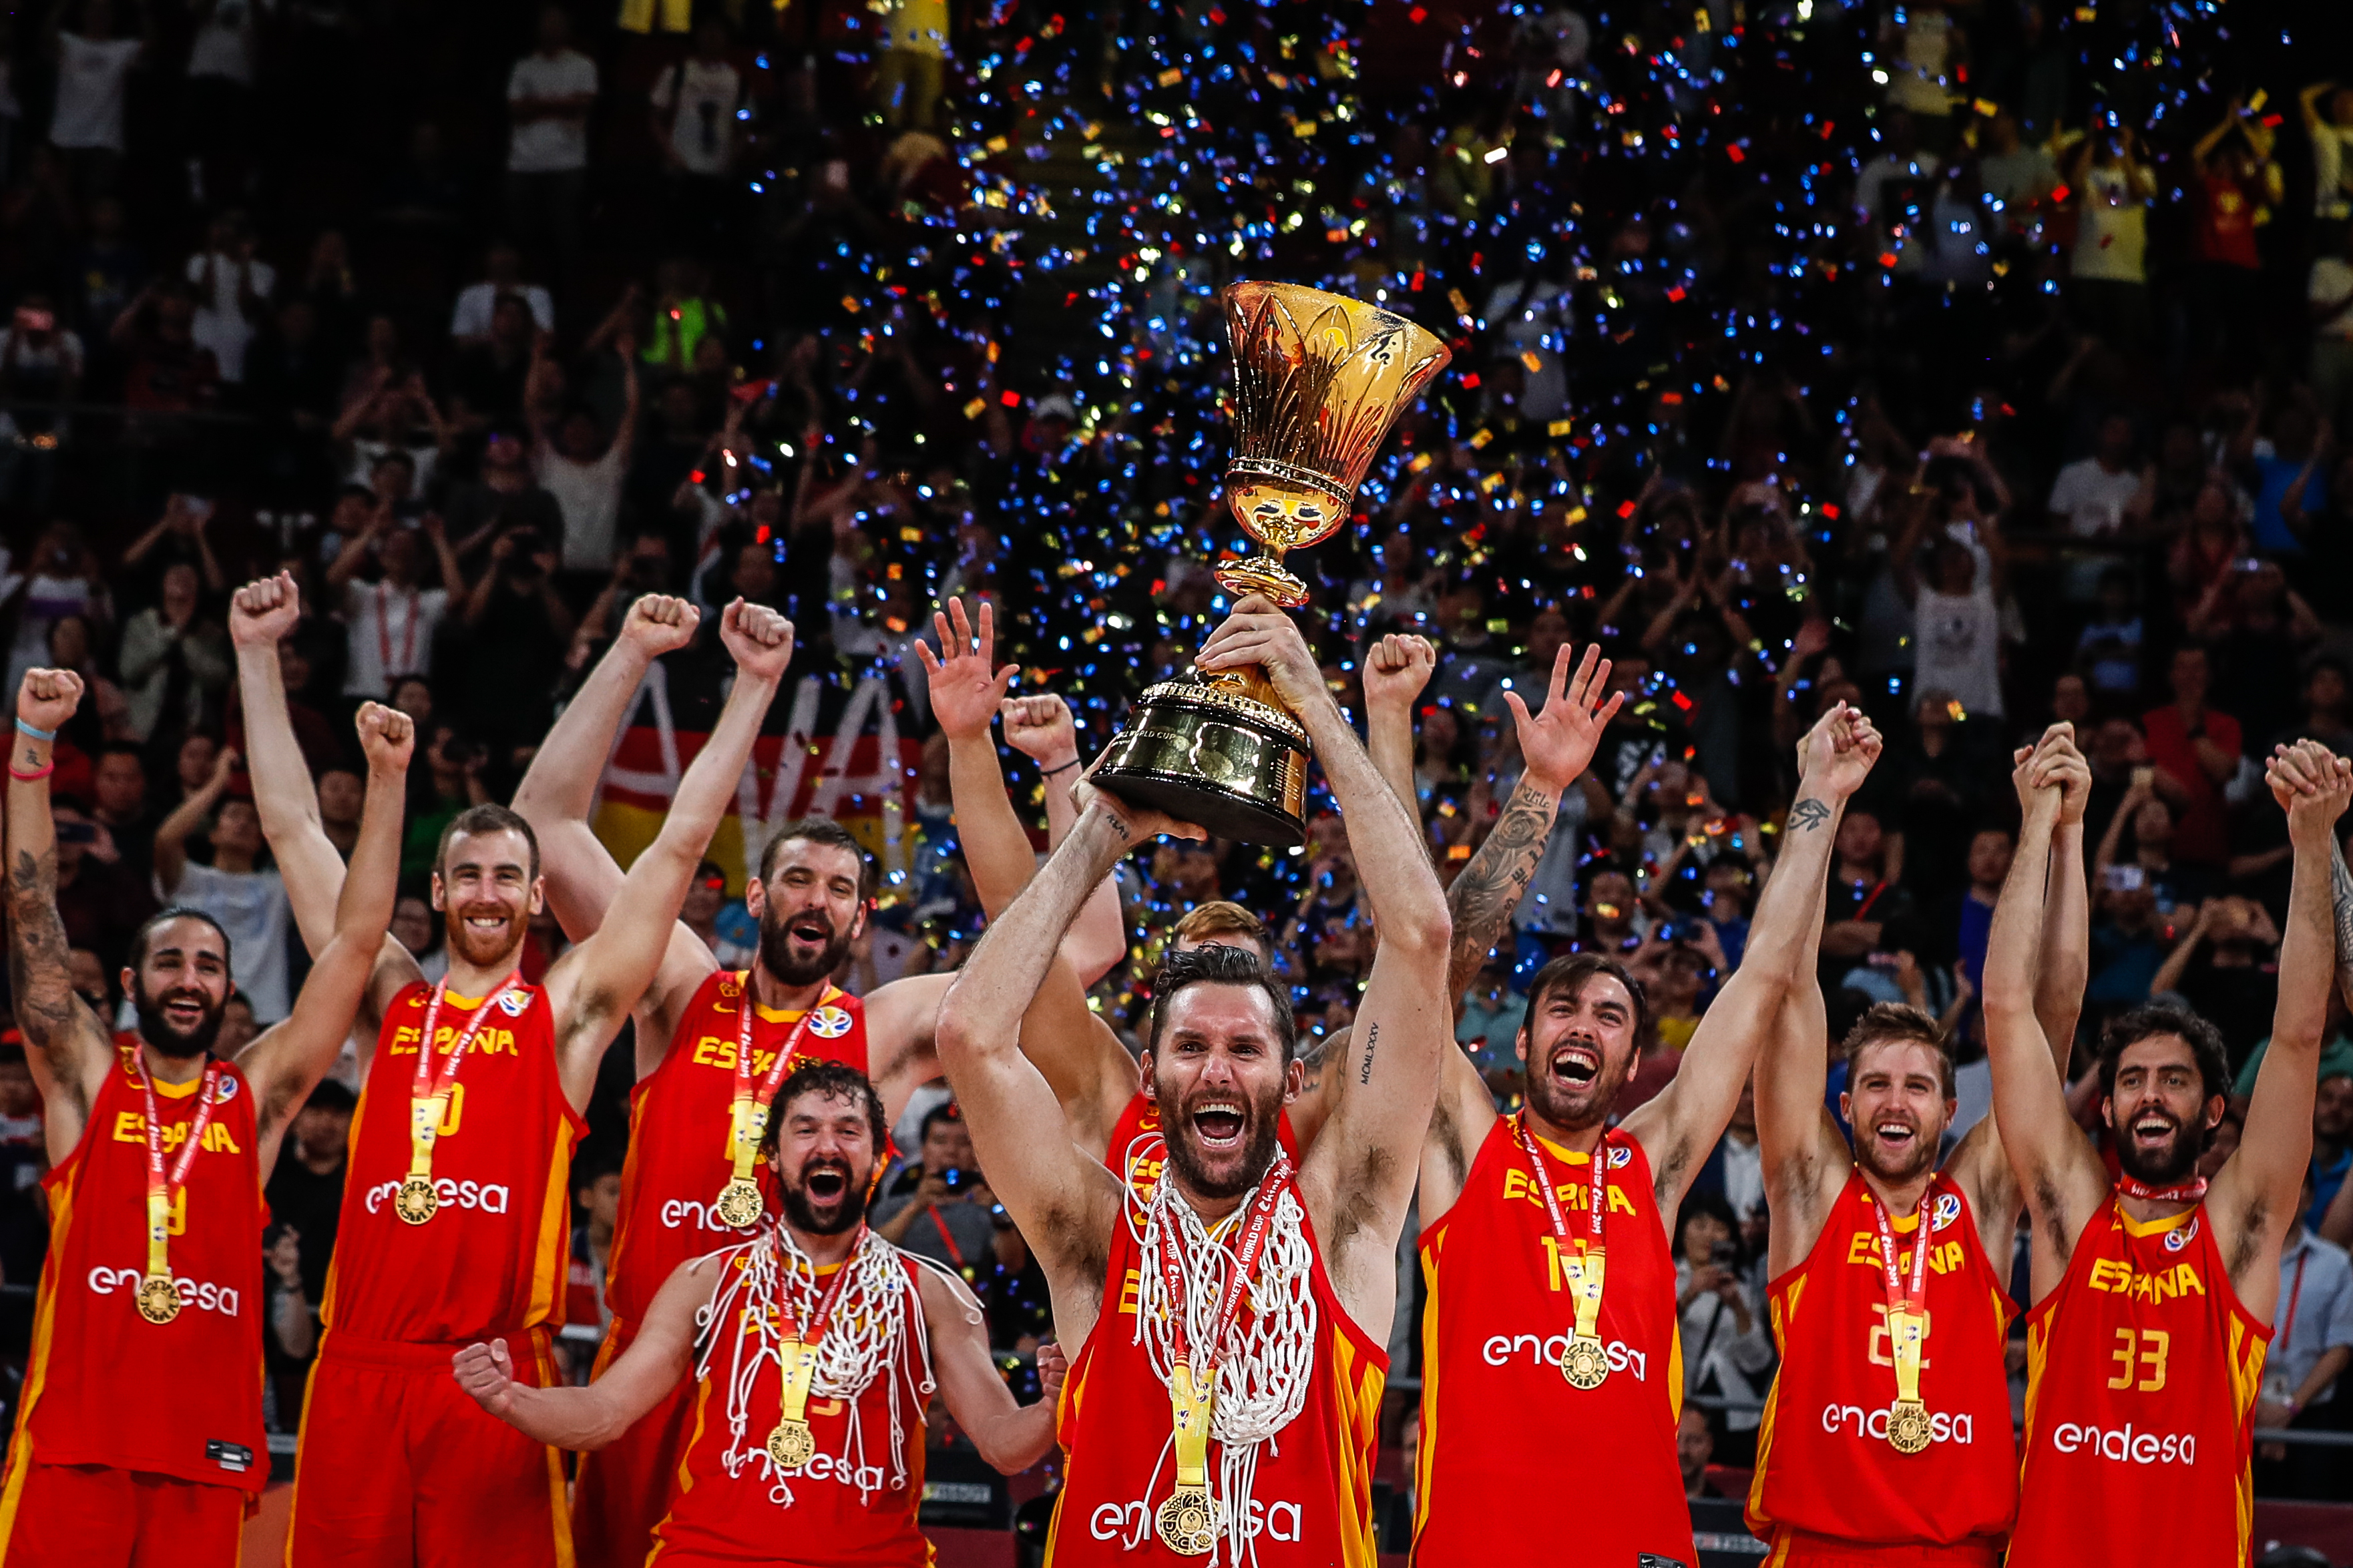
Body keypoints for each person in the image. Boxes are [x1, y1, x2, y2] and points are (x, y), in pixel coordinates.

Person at [232, 573, 794, 1568]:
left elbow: (675, 852)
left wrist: (751, 686)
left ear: (538, 897)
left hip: (492, 1374)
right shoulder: (383, 997)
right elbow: (288, 828)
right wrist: (256, 654)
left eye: (508, 877)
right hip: (357, 1366)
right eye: (469, 875)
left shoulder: (566, 1018)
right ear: (438, 889)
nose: (487, 895)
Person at [935, 593, 1454, 1559]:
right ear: (1151, 1067)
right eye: (1191, 1043)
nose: (1217, 1065)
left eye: (1245, 1046)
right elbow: (972, 1031)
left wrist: (1318, 698)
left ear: (1293, 1075)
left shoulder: (1340, 1216)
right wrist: (1100, 823)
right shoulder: (1098, 1227)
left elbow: (1421, 939)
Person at [510, 593, 964, 1568]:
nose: (818, 902)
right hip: (644, 1368)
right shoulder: (677, 984)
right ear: (758, 895)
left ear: (860, 920)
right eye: (799, 880)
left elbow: (1068, 961)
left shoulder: (878, 1028)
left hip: (789, 1385)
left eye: (842, 889)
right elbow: (546, 819)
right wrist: (632, 650)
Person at [1407, 702, 1878, 1568]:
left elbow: (1766, 972)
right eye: (1563, 1008)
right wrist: (1541, 788)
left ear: (1632, 1062)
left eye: (1610, 1015)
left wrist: (1821, 792)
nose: (1583, 1026)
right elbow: (1419, 959)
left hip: (1635, 1550)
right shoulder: (1472, 1149)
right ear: (1523, 1040)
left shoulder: (1647, 1167)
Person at [0, 666, 407, 1567]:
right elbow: (31, 912)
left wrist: (386, 784)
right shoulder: (84, 1079)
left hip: (208, 1458)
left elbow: (355, 946)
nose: (190, 978)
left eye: (209, 965)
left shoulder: (253, 1098)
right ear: (134, 983)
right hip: (77, 1448)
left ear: (229, 990)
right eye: (171, 962)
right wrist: (33, 744)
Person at [451, 1062, 1060, 1565]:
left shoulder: (932, 1294)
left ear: (879, 1159)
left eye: (849, 1130)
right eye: (806, 1129)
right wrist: (512, 1398)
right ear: (771, 1155)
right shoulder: (707, 1282)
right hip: (712, 1555)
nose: (828, 1144)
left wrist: (1053, 1404)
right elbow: (606, 1413)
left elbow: (1006, 1447)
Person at [1986, 738, 2351, 1566]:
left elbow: (2295, 1038)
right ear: (2107, 1109)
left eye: (2173, 1080)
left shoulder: (2235, 1231)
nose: (2149, 1093)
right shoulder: (2071, 1214)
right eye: (2131, 1080)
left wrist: (2310, 845)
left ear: (2213, 1109)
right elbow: (2007, 1008)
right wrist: (2038, 823)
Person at [1745, 724, 2093, 1564]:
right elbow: (1783, 979)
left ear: (1948, 1111)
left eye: (1915, 1086)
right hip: (1817, 1545)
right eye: (1873, 1084)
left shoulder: (1979, 1196)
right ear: (1845, 1103)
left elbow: (2052, 1009)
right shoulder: (1811, 1191)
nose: (1893, 1102)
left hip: (1955, 1551)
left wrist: (2056, 829)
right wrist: (1818, 800)